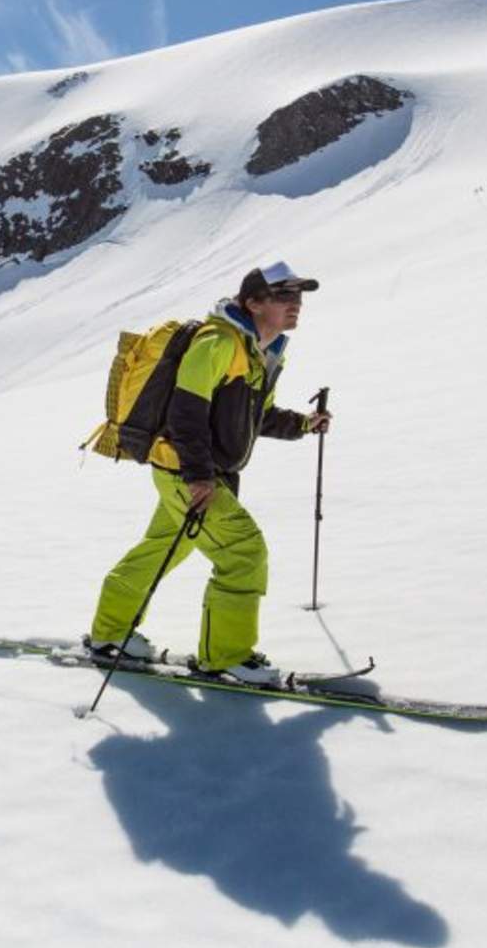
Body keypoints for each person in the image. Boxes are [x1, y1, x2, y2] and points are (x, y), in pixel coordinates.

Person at [85, 261, 333, 684]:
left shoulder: (258, 352)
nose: (295, 304)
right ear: (253, 303)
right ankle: (225, 656)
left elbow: (257, 416)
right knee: (243, 553)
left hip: (191, 472)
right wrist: (199, 476)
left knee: (163, 548)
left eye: (298, 296)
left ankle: (110, 633)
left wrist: (304, 424)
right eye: (284, 296)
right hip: (189, 473)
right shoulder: (218, 343)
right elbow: (186, 412)